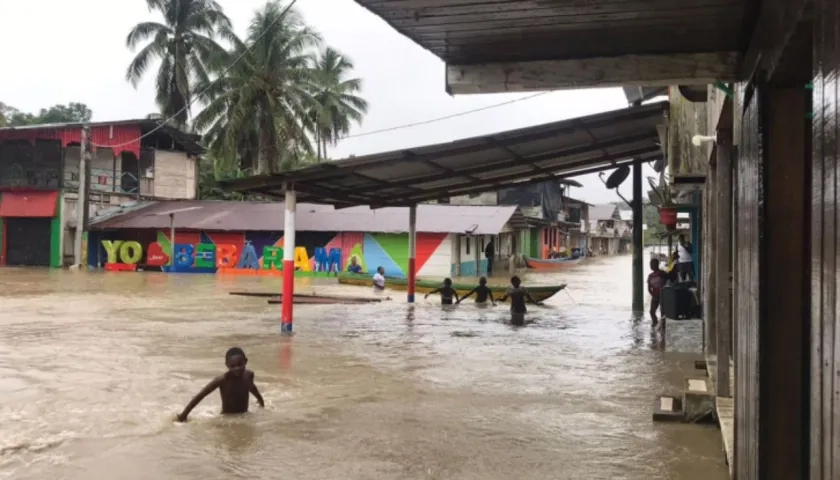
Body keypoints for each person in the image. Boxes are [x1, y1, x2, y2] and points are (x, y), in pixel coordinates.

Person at [176, 347, 264, 422]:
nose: (237, 368)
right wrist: (184, 415)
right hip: (227, 419)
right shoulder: (222, 380)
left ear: (245, 361)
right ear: (227, 365)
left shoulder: (249, 375)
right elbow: (201, 395)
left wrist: (261, 401)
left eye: (240, 364)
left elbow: (252, 387)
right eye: (232, 366)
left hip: (245, 416)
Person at [647, 258, 669, 327]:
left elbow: (669, 279)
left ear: (657, 265)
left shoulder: (662, 273)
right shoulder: (650, 276)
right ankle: (655, 323)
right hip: (655, 295)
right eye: (651, 264)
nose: (652, 266)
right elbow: (649, 287)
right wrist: (652, 295)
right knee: (652, 312)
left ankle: (663, 325)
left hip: (663, 295)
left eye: (653, 264)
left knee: (663, 311)